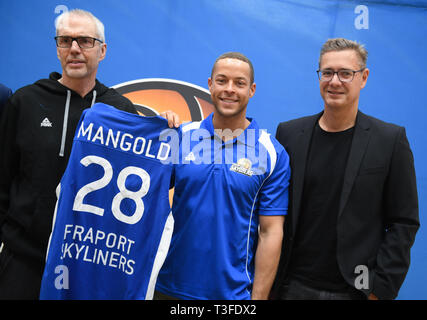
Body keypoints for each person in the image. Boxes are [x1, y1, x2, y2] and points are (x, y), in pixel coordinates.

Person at [0, 9, 178, 299]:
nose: (74, 49)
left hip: (86, 265)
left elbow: (152, 178)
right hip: (23, 261)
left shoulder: (120, 110)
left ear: (102, 50)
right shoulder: (25, 101)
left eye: (84, 40)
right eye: (65, 40)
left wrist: (165, 131)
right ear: (57, 48)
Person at [272, 38, 419, 300]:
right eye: (327, 72)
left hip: (355, 291)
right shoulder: (289, 134)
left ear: (363, 77)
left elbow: (403, 222)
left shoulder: (390, 140)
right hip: (291, 287)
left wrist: (379, 289)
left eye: (345, 73)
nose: (335, 81)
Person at [155, 52, 291, 300]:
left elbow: (270, 232)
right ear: (210, 84)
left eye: (239, 83)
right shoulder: (180, 136)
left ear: (252, 90)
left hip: (232, 295)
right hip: (168, 288)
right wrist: (154, 129)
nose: (230, 89)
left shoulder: (272, 153)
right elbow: (144, 192)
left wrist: (258, 299)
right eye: (222, 80)